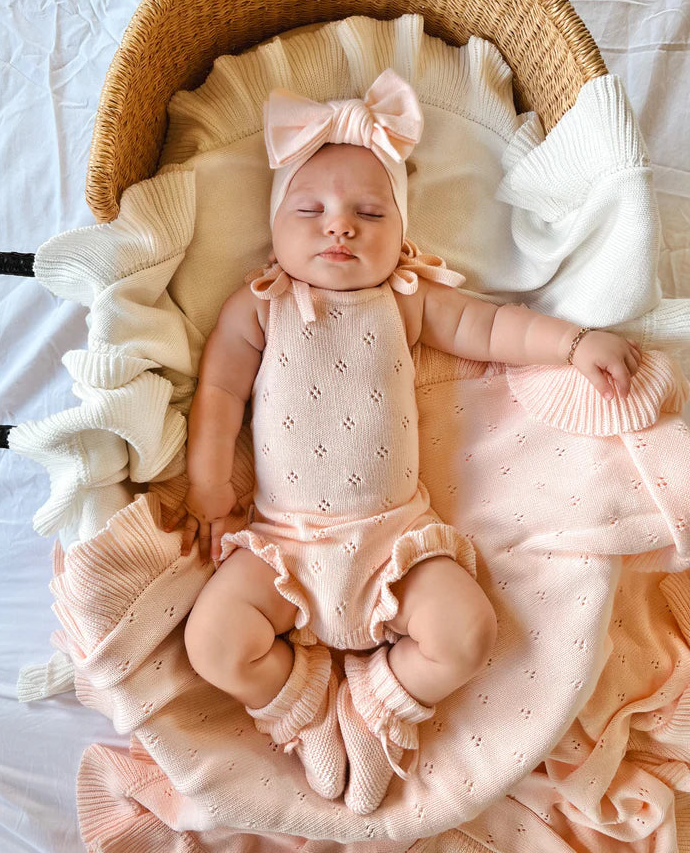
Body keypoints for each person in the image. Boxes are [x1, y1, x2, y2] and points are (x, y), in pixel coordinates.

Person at [165, 69, 641, 814]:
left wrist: (574, 343)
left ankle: (382, 706)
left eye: (368, 211)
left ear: (402, 232)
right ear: (275, 226)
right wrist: (208, 483)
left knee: (468, 631)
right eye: (311, 209)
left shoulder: (407, 299)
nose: (339, 225)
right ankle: (306, 706)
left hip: (395, 541)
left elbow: (492, 326)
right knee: (214, 642)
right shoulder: (259, 307)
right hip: (284, 543)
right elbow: (219, 395)